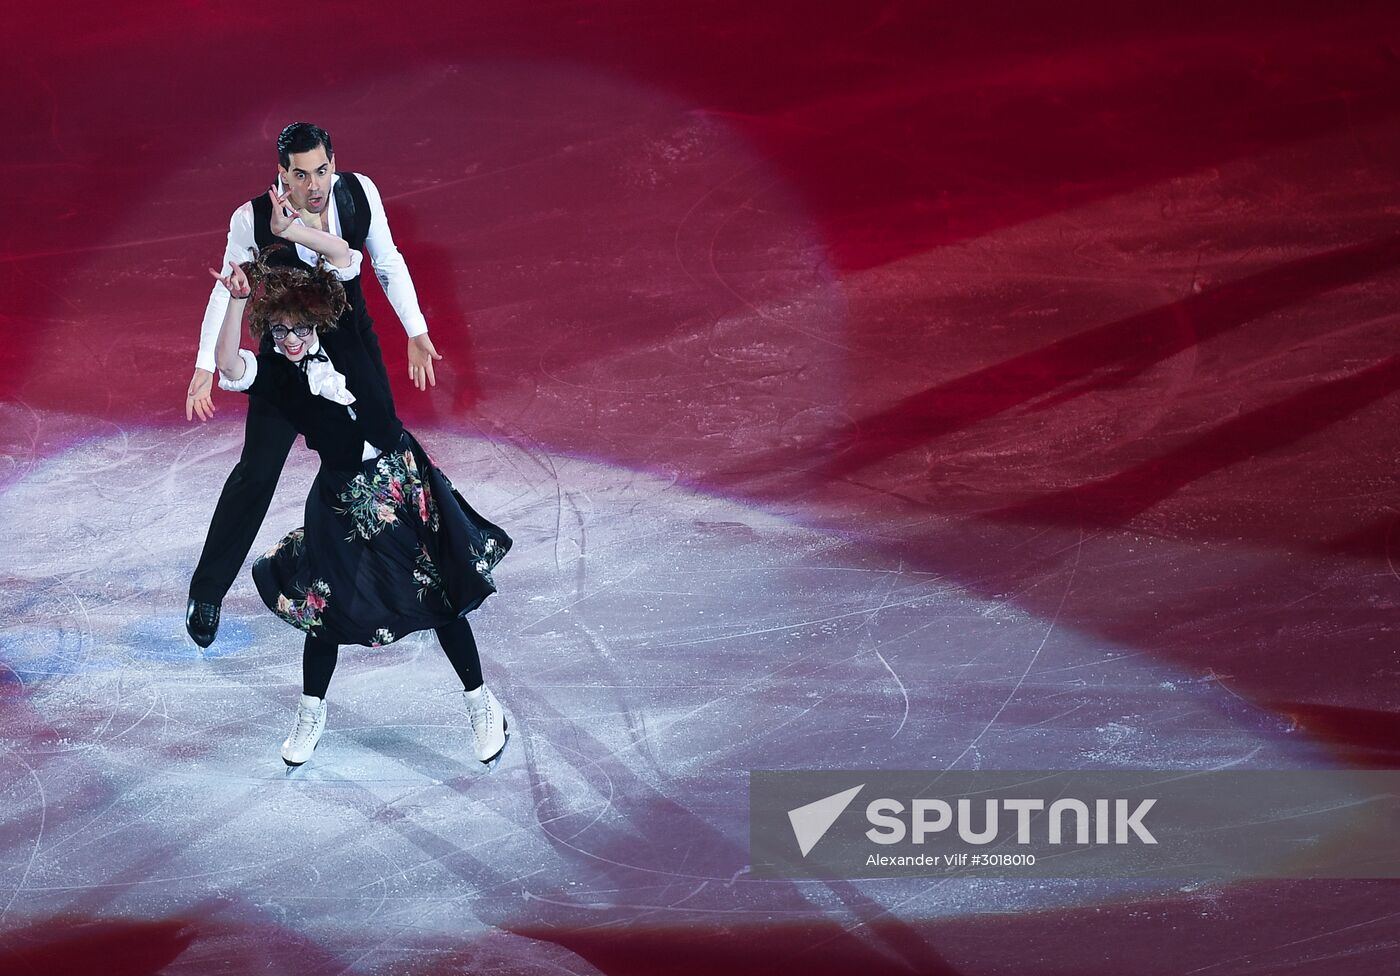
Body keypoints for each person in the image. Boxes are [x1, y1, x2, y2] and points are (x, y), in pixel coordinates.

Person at [207, 192, 511, 769]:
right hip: (342, 497)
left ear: (314, 322)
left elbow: (347, 258)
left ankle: (481, 703)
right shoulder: (276, 374)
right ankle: (310, 712)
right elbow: (228, 366)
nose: (291, 343)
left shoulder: (347, 334)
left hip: (402, 480)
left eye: (298, 330)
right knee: (325, 608)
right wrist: (231, 302)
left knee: (441, 598)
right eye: (279, 335)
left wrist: (295, 232)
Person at [184, 122, 442, 649]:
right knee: (256, 473)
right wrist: (206, 365)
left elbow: (385, 262)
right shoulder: (251, 219)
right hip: (287, 360)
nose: (314, 184)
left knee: (385, 451)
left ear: (332, 163)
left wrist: (416, 332)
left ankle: (428, 569)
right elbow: (228, 289)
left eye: (321, 170)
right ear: (282, 174)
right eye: (300, 175)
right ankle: (208, 590)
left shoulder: (359, 194)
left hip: (348, 348)